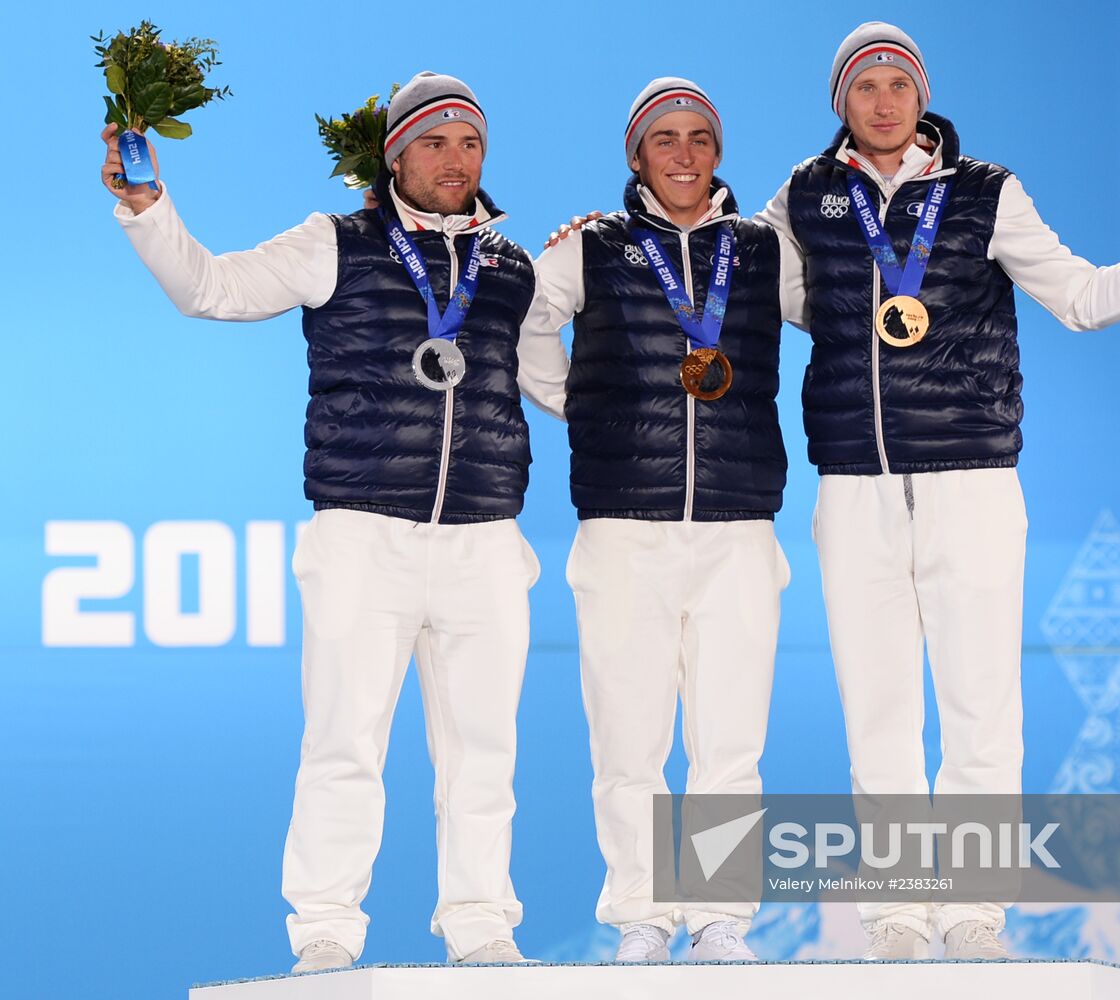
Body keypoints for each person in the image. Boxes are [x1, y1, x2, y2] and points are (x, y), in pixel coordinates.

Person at [755, 22, 1120, 959]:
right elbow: (745, 282)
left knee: (980, 701)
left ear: (922, 95)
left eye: (900, 82)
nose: (884, 99)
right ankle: (899, 908)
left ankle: (975, 908)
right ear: (840, 104)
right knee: (878, 702)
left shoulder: (986, 193)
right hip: (855, 482)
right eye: (865, 86)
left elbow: (1081, 297)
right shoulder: (807, 195)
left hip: (971, 480)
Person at [101, 71, 567, 972]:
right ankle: (323, 930)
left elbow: (553, 387)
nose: (455, 159)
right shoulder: (335, 244)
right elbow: (210, 289)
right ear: (394, 153)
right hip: (363, 531)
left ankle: (480, 929)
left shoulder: (510, 269)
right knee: (343, 743)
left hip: (484, 538)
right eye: (434, 142)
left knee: (483, 752)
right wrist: (148, 209)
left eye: (470, 143)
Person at [522, 77, 805, 962]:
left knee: (729, 737)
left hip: (736, 524)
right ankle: (642, 916)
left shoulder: (762, 251)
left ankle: (719, 918)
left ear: (717, 154)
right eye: (663, 140)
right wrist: (579, 405)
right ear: (635, 156)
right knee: (628, 735)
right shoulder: (591, 248)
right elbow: (526, 319)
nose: (682, 155)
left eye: (698, 139)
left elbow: (841, 317)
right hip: (623, 523)